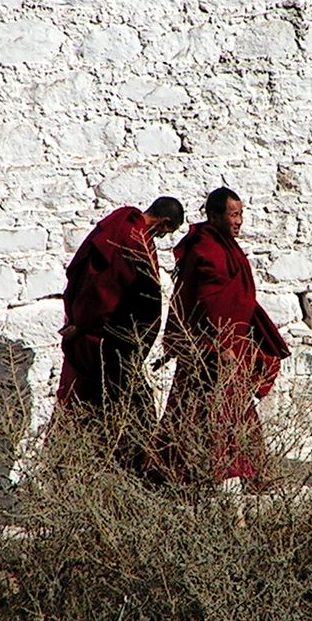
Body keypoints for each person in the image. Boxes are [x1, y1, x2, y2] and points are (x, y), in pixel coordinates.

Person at [157, 187, 290, 488]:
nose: (239, 221)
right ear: (214, 216)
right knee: (204, 411)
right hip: (213, 349)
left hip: (228, 344)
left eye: (241, 214)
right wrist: (222, 345)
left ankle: (247, 474)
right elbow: (208, 300)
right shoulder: (207, 249)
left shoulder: (222, 244)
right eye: (233, 214)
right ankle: (191, 475)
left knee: (233, 410)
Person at [56, 197, 184, 470]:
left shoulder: (126, 226)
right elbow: (99, 287)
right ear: (164, 223)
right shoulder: (128, 237)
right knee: (109, 412)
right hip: (103, 342)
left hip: (116, 342)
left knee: (105, 410)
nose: (162, 237)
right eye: (165, 233)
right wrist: (82, 321)